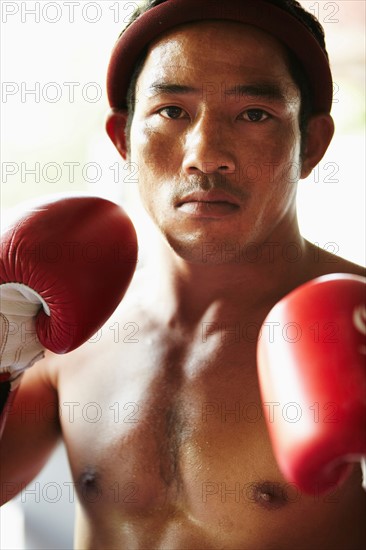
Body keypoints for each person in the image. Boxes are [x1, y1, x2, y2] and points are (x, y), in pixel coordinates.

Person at [1, 0, 365, 548]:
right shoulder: (61, 325)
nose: (206, 155)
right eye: (172, 110)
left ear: (310, 144)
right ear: (123, 138)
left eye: (254, 114)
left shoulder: (359, 327)